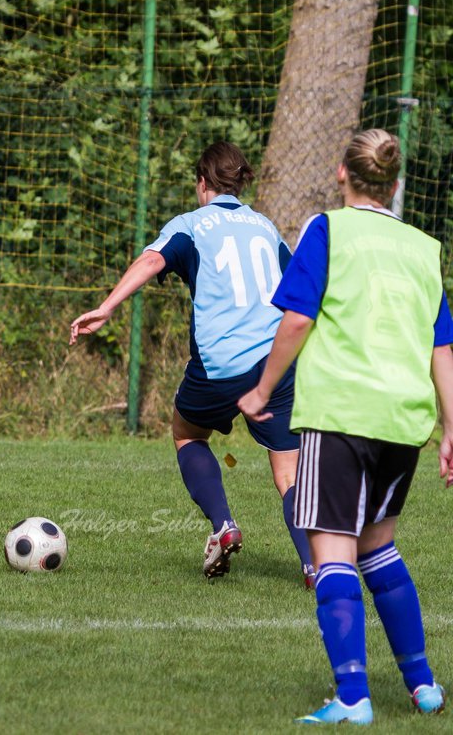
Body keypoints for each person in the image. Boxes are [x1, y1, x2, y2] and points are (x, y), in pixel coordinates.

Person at [238, 128, 451, 724]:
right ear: (396, 182)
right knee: (378, 548)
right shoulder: (422, 246)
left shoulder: (327, 230)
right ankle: (424, 684)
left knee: (332, 551)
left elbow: (299, 318)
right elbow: (442, 347)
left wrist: (261, 388)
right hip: (404, 419)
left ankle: (353, 698)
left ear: (341, 174)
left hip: (341, 413)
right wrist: (452, 427)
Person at [69, 141, 313, 583]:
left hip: (219, 366)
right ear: (240, 183)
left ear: (202, 183)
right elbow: (297, 288)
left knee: (187, 434)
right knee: (289, 471)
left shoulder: (191, 224)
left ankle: (223, 525)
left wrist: (107, 307)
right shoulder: (265, 226)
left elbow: (152, 259)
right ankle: (316, 564)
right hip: (275, 362)